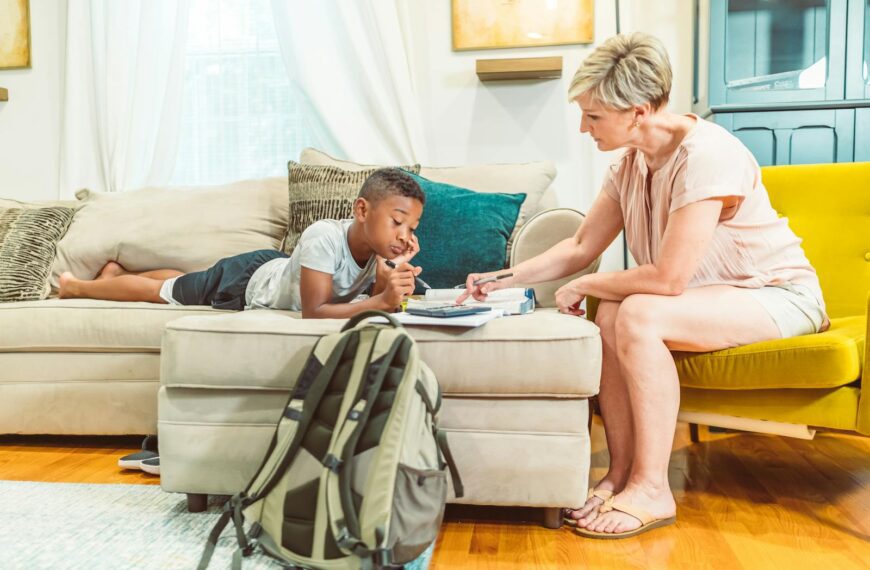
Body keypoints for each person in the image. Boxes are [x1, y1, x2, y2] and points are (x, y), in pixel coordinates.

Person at [457, 32, 828, 539]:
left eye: (593, 116)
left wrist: (585, 284)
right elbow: (581, 245)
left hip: (776, 294)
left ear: (637, 111)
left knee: (635, 311)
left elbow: (668, 279)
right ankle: (621, 472)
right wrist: (501, 278)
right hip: (707, 300)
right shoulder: (629, 163)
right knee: (610, 311)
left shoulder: (708, 155)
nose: (583, 127)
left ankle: (652, 487)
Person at [59, 168, 426, 318]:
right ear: (362, 209)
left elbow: (379, 305)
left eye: (411, 227)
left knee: (190, 280)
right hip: (244, 282)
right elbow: (314, 314)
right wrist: (382, 300)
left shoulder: (378, 253)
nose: (404, 234)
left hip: (274, 266)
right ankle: (78, 287)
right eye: (397, 221)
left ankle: (116, 272)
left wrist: (393, 277)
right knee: (164, 291)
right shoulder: (323, 238)